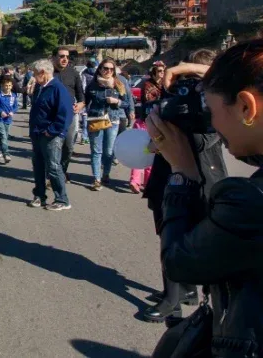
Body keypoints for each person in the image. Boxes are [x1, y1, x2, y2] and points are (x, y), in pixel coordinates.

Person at [145, 40, 263, 354]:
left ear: (246, 107)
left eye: (210, 110)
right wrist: (188, 69)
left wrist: (182, 172)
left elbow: (180, 263)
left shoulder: (250, 203)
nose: (209, 122)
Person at [141, 48, 227, 322]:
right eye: (184, 80)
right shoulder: (174, 99)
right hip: (166, 178)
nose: (188, 87)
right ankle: (179, 292)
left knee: (196, 242)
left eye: (195, 80)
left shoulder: (214, 108)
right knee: (168, 234)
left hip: (201, 182)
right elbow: (154, 140)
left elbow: (204, 142)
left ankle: (174, 302)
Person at [27, 59, 73, 211]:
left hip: (50, 135)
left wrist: (51, 131)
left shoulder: (58, 89)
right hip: (38, 133)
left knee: (53, 167)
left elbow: (65, 114)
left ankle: (62, 199)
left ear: (43, 73)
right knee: (38, 165)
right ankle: (40, 195)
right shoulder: (41, 88)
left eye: (35, 73)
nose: (33, 76)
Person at [84, 58, 131, 191]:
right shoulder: (92, 85)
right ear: (100, 69)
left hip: (113, 120)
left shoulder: (119, 84)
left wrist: (117, 101)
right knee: (96, 151)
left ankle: (106, 174)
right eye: (105, 68)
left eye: (111, 69)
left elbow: (127, 103)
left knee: (109, 151)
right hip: (96, 119)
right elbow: (85, 101)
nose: (108, 71)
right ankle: (96, 179)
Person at [128, 61, 165, 194]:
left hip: (158, 124)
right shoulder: (147, 85)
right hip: (145, 123)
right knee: (142, 153)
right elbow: (150, 101)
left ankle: (148, 182)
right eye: (159, 71)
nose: (162, 73)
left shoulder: (164, 86)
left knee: (152, 154)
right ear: (154, 72)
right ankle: (135, 181)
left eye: (163, 71)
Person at [52, 47, 85, 182]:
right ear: (54, 58)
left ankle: (62, 170)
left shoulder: (74, 73)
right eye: (61, 56)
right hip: (52, 115)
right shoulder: (48, 73)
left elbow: (81, 95)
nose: (65, 59)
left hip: (70, 114)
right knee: (54, 145)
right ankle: (53, 173)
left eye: (67, 56)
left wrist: (81, 104)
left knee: (69, 146)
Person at [0, 75, 19, 164]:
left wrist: (13, 112)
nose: (8, 87)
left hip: (8, 120)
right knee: (3, 136)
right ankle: (6, 154)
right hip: (0, 119)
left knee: (5, 137)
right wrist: (0, 111)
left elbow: (15, 107)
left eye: (10, 85)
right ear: (2, 86)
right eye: (6, 85)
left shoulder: (13, 95)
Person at [79, 58, 98, 144]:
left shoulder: (84, 73)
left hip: (86, 98)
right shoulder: (97, 73)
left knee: (85, 119)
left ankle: (84, 137)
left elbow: (83, 86)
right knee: (94, 119)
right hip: (95, 98)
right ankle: (92, 137)